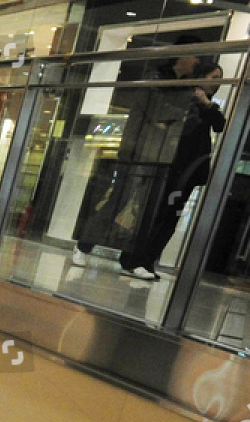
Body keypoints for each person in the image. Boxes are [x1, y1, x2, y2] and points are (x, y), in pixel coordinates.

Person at [74, 37, 203, 269]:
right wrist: (175, 119)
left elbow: (182, 119)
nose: (196, 61)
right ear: (182, 54)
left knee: (145, 209)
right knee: (119, 199)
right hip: (137, 152)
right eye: (194, 55)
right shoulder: (155, 80)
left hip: (161, 155)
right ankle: (84, 245)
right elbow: (159, 113)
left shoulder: (185, 87)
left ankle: (130, 258)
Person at [119, 61, 225, 280]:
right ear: (200, 76)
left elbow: (220, 125)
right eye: (214, 78)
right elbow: (179, 127)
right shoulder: (184, 99)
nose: (218, 83)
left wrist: (206, 103)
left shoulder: (206, 104)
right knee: (157, 215)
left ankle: (146, 261)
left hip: (187, 170)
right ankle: (135, 260)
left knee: (170, 218)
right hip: (171, 167)